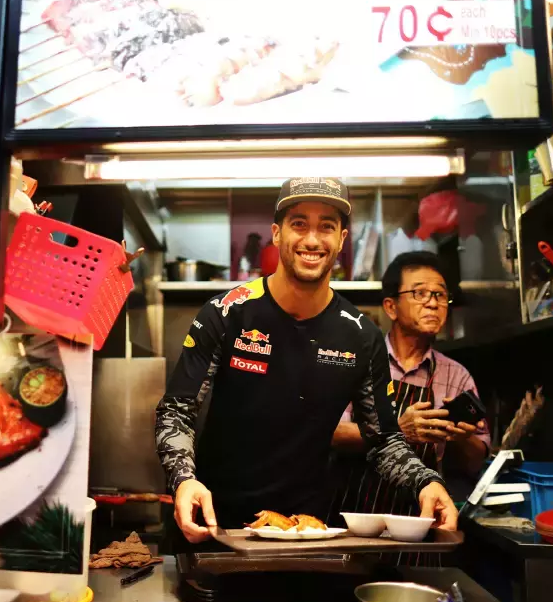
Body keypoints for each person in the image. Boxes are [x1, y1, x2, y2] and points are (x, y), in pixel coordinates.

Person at [155, 178, 458, 545]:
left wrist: (426, 482)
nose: (312, 240)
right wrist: (184, 478)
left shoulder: (361, 335)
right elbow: (177, 410)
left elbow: (383, 439)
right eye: (299, 224)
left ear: (342, 240)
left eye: (326, 226)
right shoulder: (226, 312)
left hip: (310, 532)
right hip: (215, 525)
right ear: (277, 235)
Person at [331, 251, 489, 521]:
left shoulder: (456, 376)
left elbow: (477, 462)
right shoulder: (354, 361)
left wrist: (462, 438)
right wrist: (396, 430)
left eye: (440, 295)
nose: (432, 303)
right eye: (419, 293)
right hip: (354, 520)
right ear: (391, 307)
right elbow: (330, 432)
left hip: (420, 524)